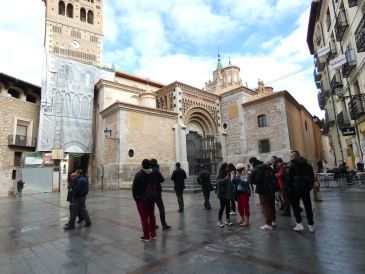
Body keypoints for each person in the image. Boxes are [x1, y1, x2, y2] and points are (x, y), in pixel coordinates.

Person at [287, 151, 315, 233]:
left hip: (295, 189)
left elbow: (289, 178)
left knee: (295, 206)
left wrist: (289, 188)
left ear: (294, 157)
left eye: (291, 156)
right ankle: (311, 225)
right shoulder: (308, 165)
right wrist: (310, 186)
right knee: (308, 206)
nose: (290, 158)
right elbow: (312, 176)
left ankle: (299, 224)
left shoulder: (292, 165)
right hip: (306, 188)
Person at [249, 157, 278, 231]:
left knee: (265, 206)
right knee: (272, 205)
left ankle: (268, 224)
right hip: (271, 188)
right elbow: (274, 176)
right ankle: (273, 221)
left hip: (263, 190)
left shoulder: (256, 169)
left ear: (252, 163)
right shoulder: (267, 166)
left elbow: (252, 180)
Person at [132, 159, 157, 241]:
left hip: (142, 200)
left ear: (142, 165)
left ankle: (146, 236)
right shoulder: (153, 173)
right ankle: (153, 234)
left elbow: (134, 189)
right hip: (151, 198)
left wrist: (136, 199)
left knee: (144, 217)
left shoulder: (139, 175)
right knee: (152, 216)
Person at [150, 159, 171, 230]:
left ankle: (152, 224)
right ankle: (164, 224)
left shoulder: (148, 170)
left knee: (151, 209)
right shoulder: (156, 170)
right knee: (161, 208)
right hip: (157, 192)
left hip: (150, 192)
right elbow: (162, 179)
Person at [216, 162, 235, 227]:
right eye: (226, 167)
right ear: (223, 167)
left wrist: (233, 177)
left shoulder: (229, 173)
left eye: (228, 167)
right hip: (222, 193)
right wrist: (225, 178)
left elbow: (231, 183)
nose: (228, 168)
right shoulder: (220, 174)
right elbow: (218, 183)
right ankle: (219, 221)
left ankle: (227, 219)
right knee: (222, 207)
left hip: (228, 193)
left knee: (228, 207)